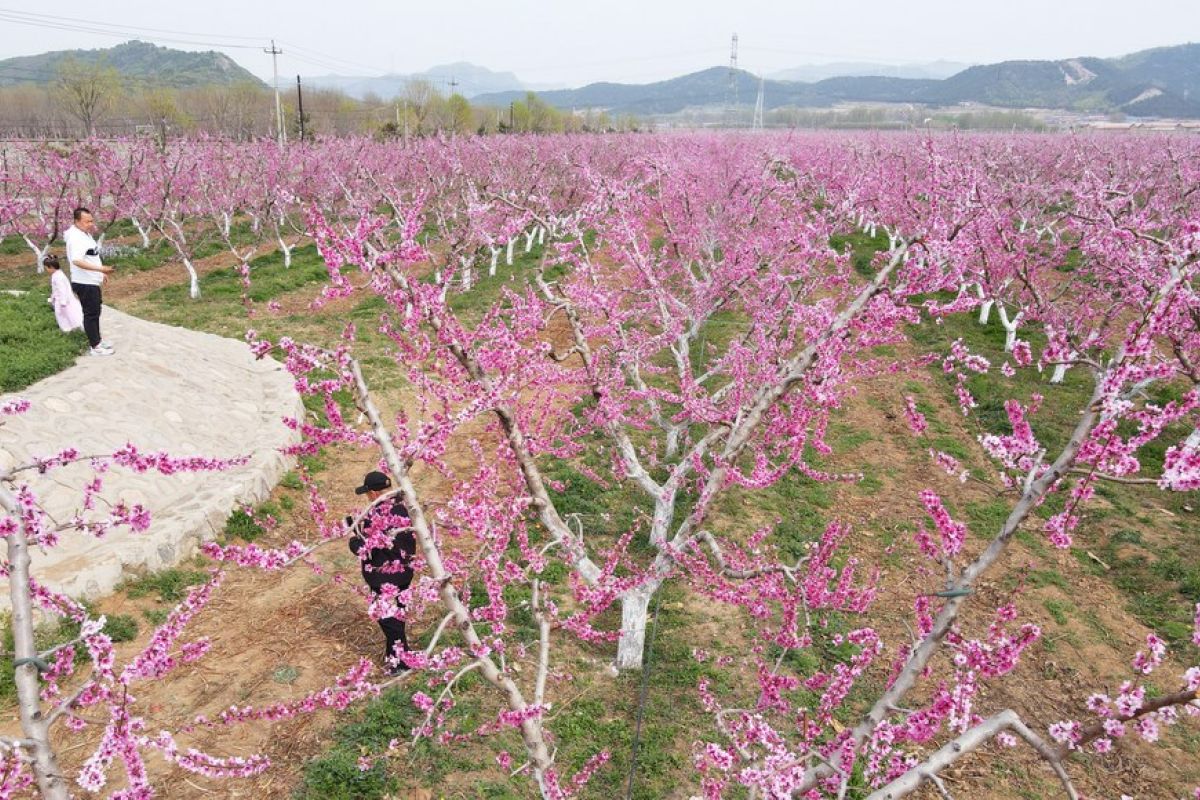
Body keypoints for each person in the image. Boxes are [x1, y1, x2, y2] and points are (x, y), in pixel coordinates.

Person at [347, 470, 416, 676]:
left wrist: (353, 537)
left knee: (387, 619)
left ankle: (401, 663)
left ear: (375, 493)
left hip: (385, 576)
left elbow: (364, 548)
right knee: (397, 615)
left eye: (368, 493)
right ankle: (396, 657)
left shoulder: (377, 515)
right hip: (404, 572)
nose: (367, 497)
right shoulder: (403, 508)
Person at [63, 206, 114, 356]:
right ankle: (95, 346)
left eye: (91, 221)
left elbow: (91, 256)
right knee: (91, 314)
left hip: (91, 280)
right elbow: (77, 261)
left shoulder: (84, 234)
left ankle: (97, 339)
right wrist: (101, 269)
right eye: (87, 222)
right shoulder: (76, 238)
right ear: (77, 221)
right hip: (84, 282)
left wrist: (100, 273)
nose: (90, 224)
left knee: (95, 311)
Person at [44, 254, 83, 333]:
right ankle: (72, 328)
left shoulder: (58, 277)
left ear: (51, 267)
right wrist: (52, 297)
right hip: (64, 299)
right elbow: (56, 289)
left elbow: (62, 289)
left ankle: (67, 330)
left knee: (63, 316)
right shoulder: (58, 274)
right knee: (69, 314)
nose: (46, 270)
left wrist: (62, 302)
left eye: (46, 268)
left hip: (63, 301)